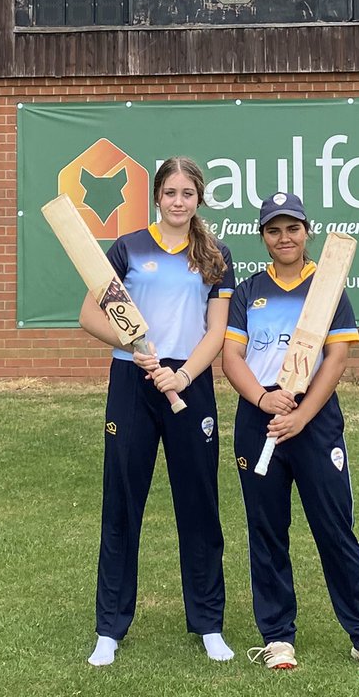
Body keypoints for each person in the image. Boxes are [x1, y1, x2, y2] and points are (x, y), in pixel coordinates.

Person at [222, 191, 359, 673]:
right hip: (260, 418)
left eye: (292, 228)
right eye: (274, 230)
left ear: (306, 231)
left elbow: (336, 358)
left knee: (333, 528)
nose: (284, 238)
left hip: (313, 420)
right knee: (267, 530)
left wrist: (300, 414)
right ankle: (277, 636)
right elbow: (231, 357)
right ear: (263, 237)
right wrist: (262, 398)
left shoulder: (329, 287)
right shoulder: (248, 289)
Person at [79, 156, 235, 666]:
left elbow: (216, 331)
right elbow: (88, 315)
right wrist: (131, 346)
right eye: (169, 193)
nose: (177, 202)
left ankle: (209, 623)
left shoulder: (215, 256)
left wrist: (183, 374)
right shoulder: (127, 248)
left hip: (188, 384)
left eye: (187, 194)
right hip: (133, 380)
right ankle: (110, 628)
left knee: (199, 504)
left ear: (198, 200)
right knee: (122, 502)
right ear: (157, 198)